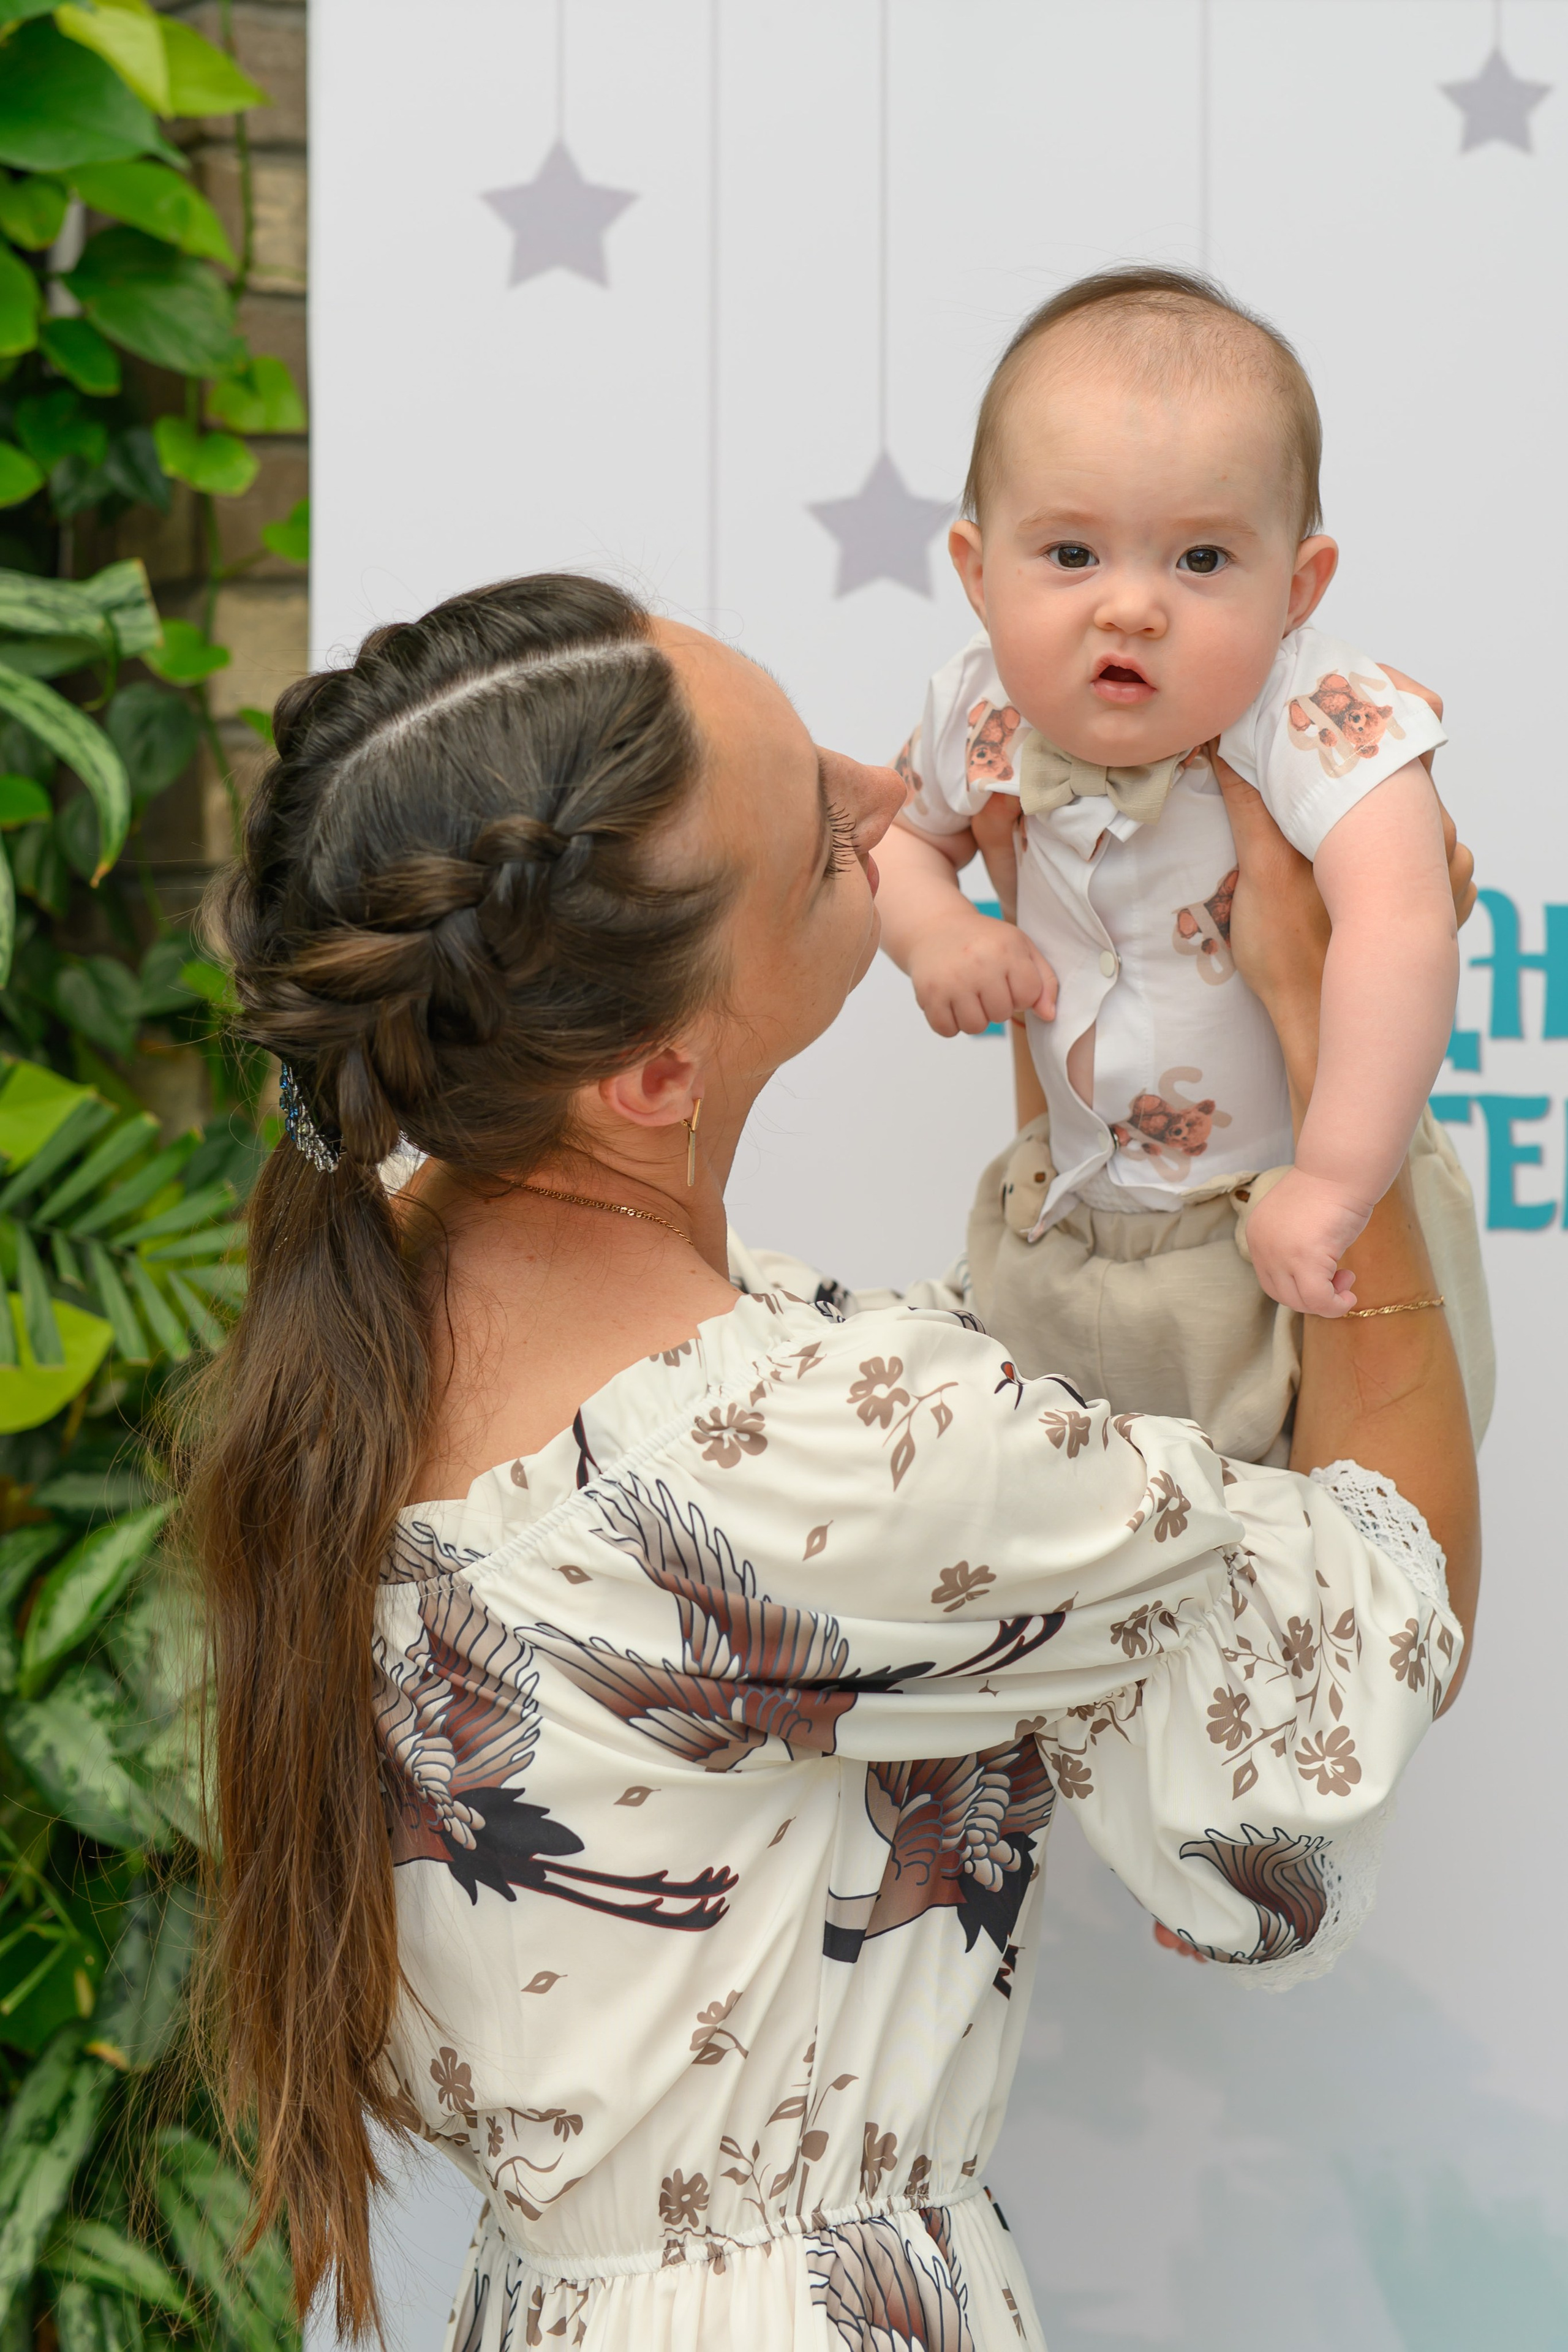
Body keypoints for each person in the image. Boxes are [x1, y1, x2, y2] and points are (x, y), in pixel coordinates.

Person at [185, 575, 1479, 2352]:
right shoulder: (821, 1451)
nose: (889, 800)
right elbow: (1369, 1627)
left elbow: (1020, 1471)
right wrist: (1345, 1057)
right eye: (819, 832)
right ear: (651, 1075)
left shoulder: (384, 1328)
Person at [875, 266, 1491, 1464]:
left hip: (1280, 1212)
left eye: (1201, 562)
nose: (1131, 608)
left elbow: (1399, 923)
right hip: (1070, 1216)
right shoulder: (978, 705)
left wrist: (1335, 1180)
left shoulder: (1311, 712)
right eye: (1068, 552)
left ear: (1295, 586)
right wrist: (937, 932)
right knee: (1087, 1521)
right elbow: (896, 836)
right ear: (975, 566)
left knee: (1313, 1527)